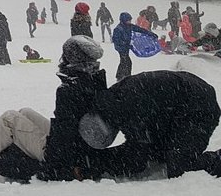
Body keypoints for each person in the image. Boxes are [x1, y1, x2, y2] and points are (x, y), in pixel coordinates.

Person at [0, 36, 108, 182]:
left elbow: (66, 130)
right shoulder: (92, 79)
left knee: (9, 118)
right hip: (78, 144)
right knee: (25, 112)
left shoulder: (70, 88)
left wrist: (55, 157)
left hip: (61, 152)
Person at [83, 70, 221, 179]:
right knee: (158, 152)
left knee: (180, 166)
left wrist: (94, 166)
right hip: (179, 101)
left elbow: (137, 157)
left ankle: (217, 159)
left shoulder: (126, 110)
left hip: (199, 109)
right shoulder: (109, 101)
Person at [112, 12, 156, 81]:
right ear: (123, 20)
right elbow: (116, 40)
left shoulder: (129, 26)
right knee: (127, 62)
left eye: (130, 20)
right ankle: (126, 77)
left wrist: (151, 34)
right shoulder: (118, 29)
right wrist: (126, 43)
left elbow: (140, 29)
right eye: (128, 20)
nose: (129, 22)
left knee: (124, 61)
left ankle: (120, 76)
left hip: (126, 47)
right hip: (120, 48)